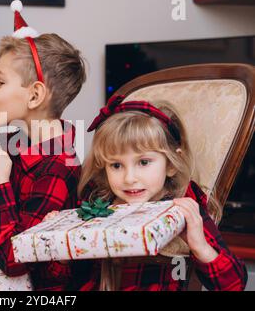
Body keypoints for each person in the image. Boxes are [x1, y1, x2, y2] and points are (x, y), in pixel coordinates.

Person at [0, 0, 87, 291]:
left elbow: (15, 259)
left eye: (0, 82)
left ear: (34, 96)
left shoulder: (56, 168)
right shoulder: (17, 146)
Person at [73, 95, 247, 291]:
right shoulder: (100, 203)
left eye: (144, 162)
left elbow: (235, 284)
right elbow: (73, 277)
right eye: (116, 165)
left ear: (171, 164)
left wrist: (201, 247)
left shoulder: (183, 207)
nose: (129, 178)